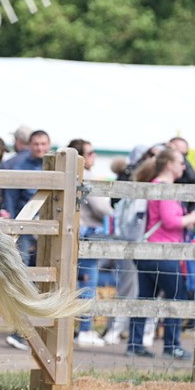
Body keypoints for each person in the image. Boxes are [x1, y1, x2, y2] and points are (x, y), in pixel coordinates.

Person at [126, 148, 195, 359]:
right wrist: (194, 217)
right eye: (180, 162)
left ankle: (135, 344)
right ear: (169, 164)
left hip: (148, 250)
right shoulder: (166, 189)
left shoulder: (154, 184)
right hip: (163, 252)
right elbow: (170, 222)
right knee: (177, 296)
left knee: (145, 298)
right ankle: (172, 346)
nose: (184, 167)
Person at [0, 129, 51, 350]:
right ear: (30, 145)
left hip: (50, 229)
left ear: (49, 144)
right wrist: (14, 229)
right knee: (24, 275)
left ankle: (44, 329)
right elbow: (10, 199)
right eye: (36, 144)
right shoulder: (20, 166)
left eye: (43, 144)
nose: (40, 148)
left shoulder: (54, 165)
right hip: (26, 229)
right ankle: (21, 330)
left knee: (49, 276)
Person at [70, 139, 113, 347]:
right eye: (90, 153)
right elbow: (101, 207)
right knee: (89, 282)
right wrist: (114, 214)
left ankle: (76, 329)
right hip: (88, 232)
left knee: (74, 282)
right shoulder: (85, 176)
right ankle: (85, 329)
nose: (94, 156)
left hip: (77, 231)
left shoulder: (72, 174)